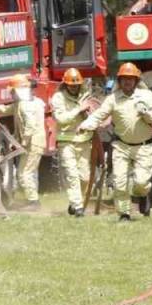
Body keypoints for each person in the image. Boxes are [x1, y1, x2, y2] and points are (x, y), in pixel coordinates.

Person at [79, 63, 152, 221]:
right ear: (119, 81)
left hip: (144, 146)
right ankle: (124, 214)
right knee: (119, 182)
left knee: (141, 182)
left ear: (136, 80)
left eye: (131, 79)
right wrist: (85, 125)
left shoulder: (146, 96)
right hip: (121, 145)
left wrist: (146, 114)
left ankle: (143, 194)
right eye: (124, 79)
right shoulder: (113, 99)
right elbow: (99, 115)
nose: (127, 82)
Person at [0, 75, 48, 211]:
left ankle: (34, 202)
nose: (11, 94)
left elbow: (30, 127)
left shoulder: (25, 106)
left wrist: (22, 143)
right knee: (28, 172)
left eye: (13, 91)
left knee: (24, 174)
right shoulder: (25, 103)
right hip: (33, 143)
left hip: (33, 143)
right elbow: (4, 110)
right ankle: (32, 200)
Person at [50, 69, 98, 217]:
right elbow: (61, 119)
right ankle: (78, 207)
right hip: (66, 141)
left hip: (84, 140)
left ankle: (75, 202)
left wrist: (91, 113)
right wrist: (79, 109)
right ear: (65, 84)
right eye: (71, 85)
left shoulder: (86, 95)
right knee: (72, 174)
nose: (74, 87)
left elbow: (95, 114)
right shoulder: (58, 98)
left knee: (85, 177)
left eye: (76, 85)